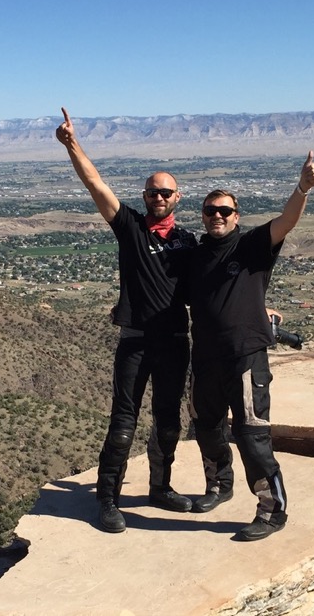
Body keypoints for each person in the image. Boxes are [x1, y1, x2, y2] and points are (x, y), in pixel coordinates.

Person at [56, 107, 197, 533]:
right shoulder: (130, 228)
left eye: (166, 193)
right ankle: (108, 500)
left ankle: (160, 487)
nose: (159, 198)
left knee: (169, 420)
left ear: (177, 197)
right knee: (123, 425)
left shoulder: (188, 242)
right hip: (135, 341)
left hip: (174, 340)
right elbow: (95, 183)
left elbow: (214, 286)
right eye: (153, 192)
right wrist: (71, 144)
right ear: (144, 196)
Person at [186, 152, 314, 541]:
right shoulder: (195, 257)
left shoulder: (250, 247)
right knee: (207, 428)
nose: (218, 216)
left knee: (252, 436)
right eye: (211, 211)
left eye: (225, 211)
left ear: (236, 215)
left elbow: (287, 221)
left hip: (246, 358)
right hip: (206, 358)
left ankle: (272, 509)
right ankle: (219, 486)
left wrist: (303, 188)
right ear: (203, 215)